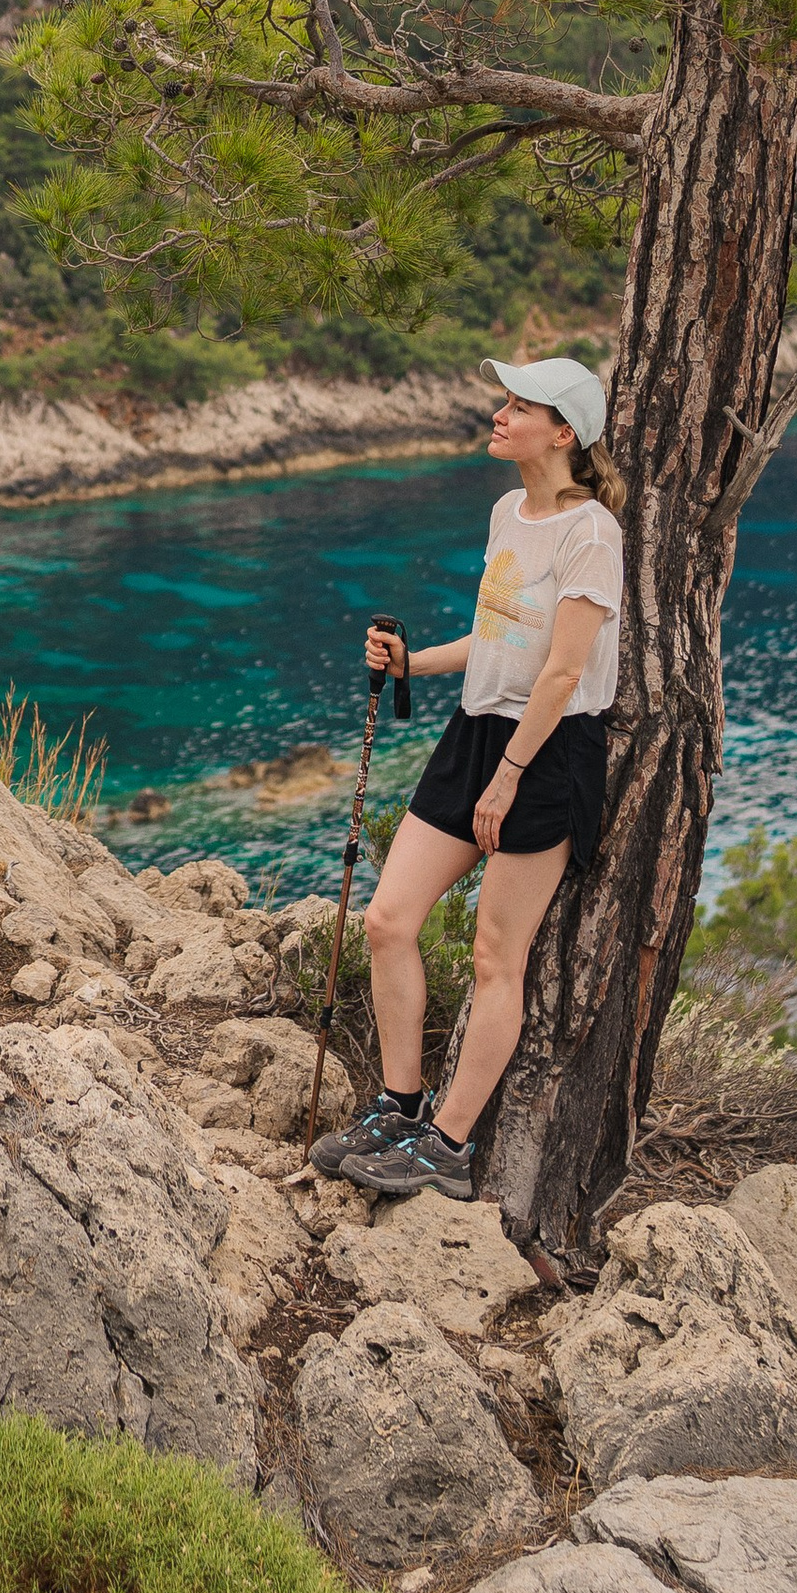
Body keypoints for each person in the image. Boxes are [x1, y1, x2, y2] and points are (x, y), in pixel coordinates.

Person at [314, 355, 623, 1202]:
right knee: (387, 920)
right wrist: (412, 662)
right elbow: (497, 640)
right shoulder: (505, 513)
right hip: (475, 733)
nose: (499, 414)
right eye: (504, 401)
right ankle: (399, 1106)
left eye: (519, 406)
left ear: (562, 433)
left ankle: (446, 1146)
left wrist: (510, 776)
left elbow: (563, 673)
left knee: (496, 956)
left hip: (548, 751)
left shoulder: (592, 534)